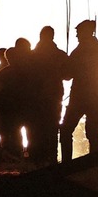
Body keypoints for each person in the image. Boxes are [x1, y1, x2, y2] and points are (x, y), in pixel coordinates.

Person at [60, 19, 98, 162]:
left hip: (79, 97)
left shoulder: (79, 52)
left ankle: (66, 165)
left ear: (85, 32)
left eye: (78, 32)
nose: (76, 36)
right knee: (94, 132)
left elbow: (67, 75)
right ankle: (95, 164)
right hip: (97, 97)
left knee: (66, 130)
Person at [31, 26, 68, 165]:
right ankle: (52, 158)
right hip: (54, 96)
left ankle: (36, 158)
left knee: (36, 127)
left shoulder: (32, 55)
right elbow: (68, 75)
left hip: (36, 97)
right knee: (52, 127)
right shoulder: (59, 55)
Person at [0, 38, 32, 159]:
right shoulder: (30, 70)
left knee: (11, 132)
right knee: (26, 131)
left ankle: (12, 155)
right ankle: (24, 156)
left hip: (10, 106)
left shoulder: (4, 73)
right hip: (23, 106)